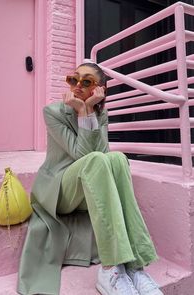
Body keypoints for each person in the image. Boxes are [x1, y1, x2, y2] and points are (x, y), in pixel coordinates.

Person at [17, 63, 163, 295]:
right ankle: (109, 270)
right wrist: (83, 111)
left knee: (117, 159)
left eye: (86, 82)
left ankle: (135, 266)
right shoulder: (53, 112)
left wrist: (92, 111)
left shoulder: (101, 113)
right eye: (73, 79)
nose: (77, 86)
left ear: (100, 89)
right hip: (59, 191)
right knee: (97, 160)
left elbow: (104, 158)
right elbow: (84, 157)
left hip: (87, 186)